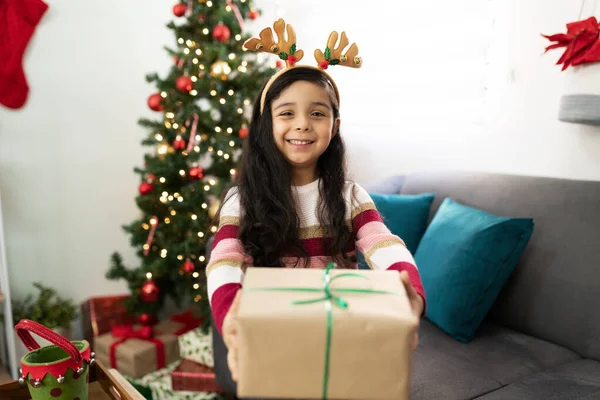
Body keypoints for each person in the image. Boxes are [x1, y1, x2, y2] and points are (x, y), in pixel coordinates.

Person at [206, 18, 426, 385]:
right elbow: (225, 259)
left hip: (340, 337)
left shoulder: (350, 195)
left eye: (317, 113)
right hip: (274, 339)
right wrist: (230, 312)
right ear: (266, 123)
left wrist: (410, 291)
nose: (303, 124)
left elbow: (385, 245)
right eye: (287, 112)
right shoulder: (241, 199)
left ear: (335, 126)